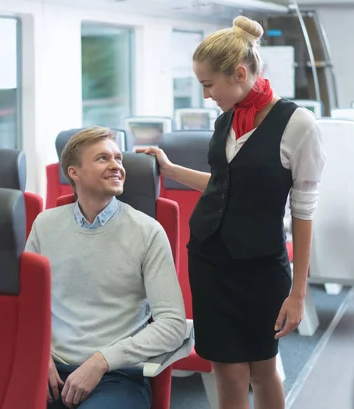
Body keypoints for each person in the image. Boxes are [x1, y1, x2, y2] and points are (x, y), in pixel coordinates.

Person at [138, 16, 326, 409]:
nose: (206, 95)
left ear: (239, 73)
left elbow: (304, 211)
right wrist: (170, 170)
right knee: (225, 368)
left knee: (263, 367)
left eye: (208, 84)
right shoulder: (226, 119)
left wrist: (298, 291)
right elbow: (225, 184)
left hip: (260, 265)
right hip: (209, 261)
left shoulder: (298, 125)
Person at [25, 126, 187, 409]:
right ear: (74, 173)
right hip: (47, 372)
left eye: (118, 159)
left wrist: (102, 360)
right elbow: (26, 305)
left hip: (116, 377)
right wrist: (38, 356)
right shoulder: (45, 225)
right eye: (103, 159)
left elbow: (172, 325)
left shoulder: (148, 231)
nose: (116, 166)